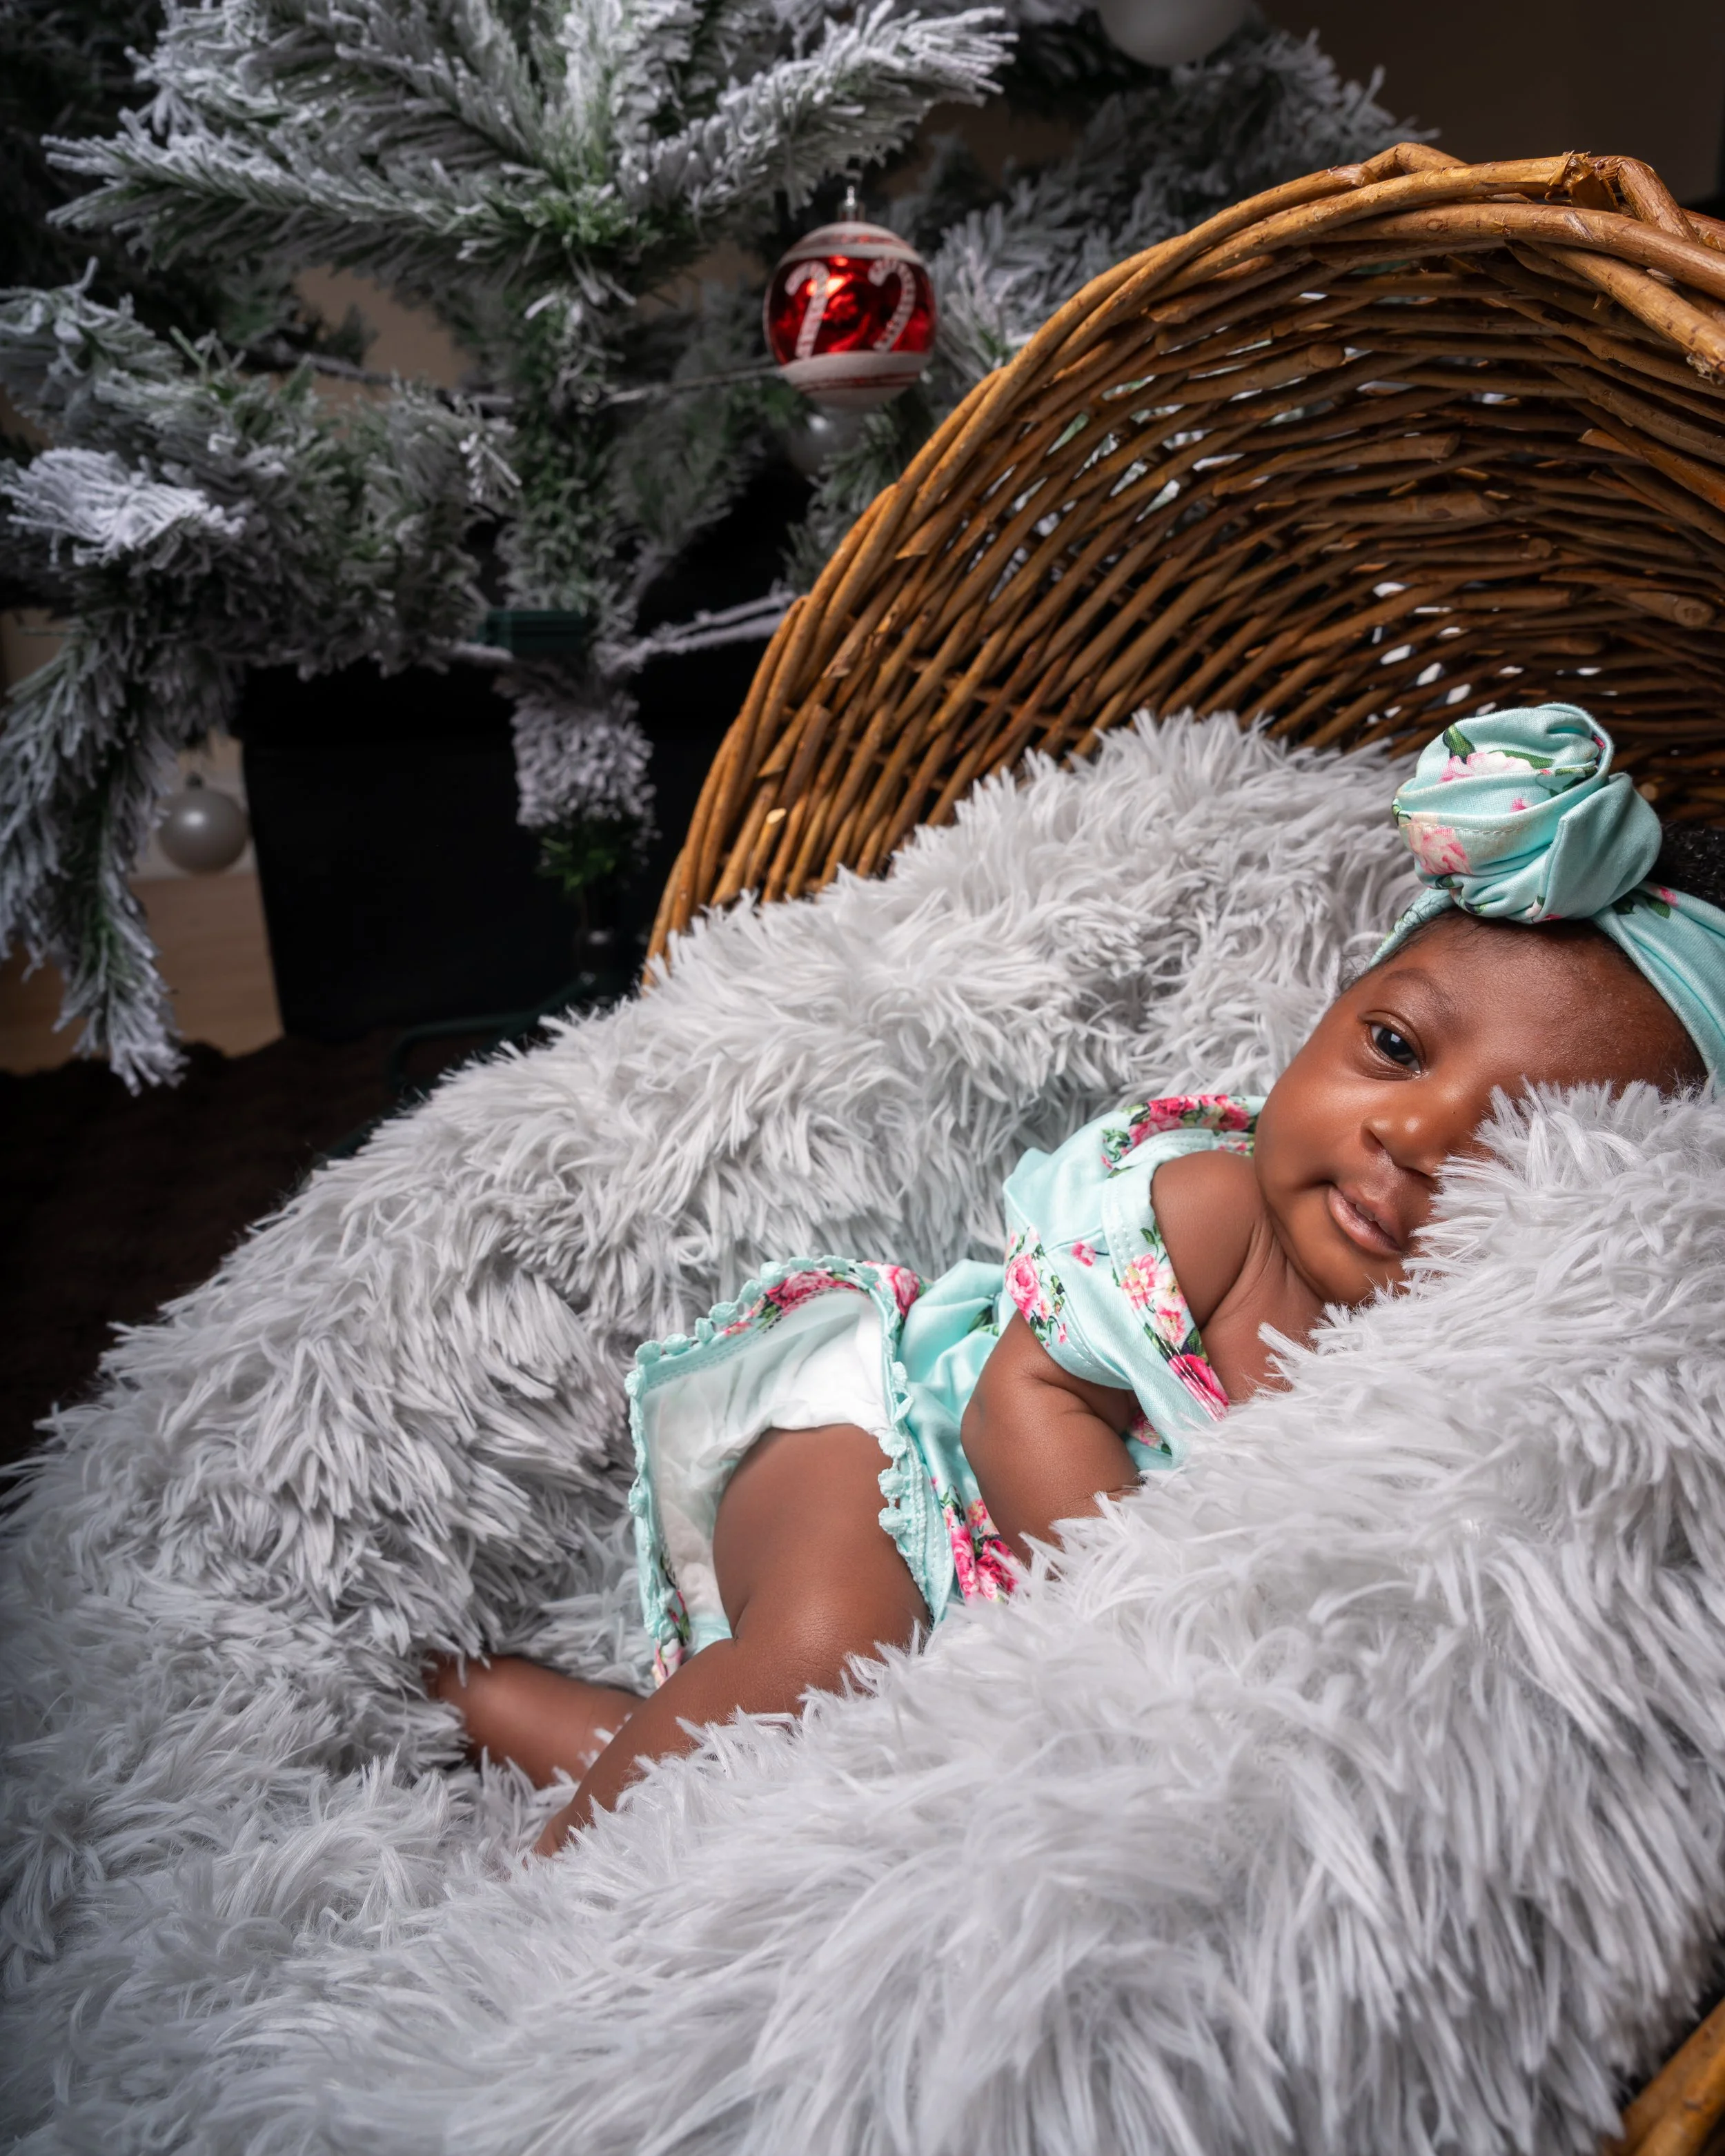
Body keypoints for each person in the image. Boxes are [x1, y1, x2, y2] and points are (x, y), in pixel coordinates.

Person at [429, 704, 1725, 1851]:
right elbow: (1021, 1405)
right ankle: (540, 1925)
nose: (1417, 1134)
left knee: (825, 1789)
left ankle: (509, 1705)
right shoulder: (1205, 1204)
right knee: (823, 1652)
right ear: (1331, 1013)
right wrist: (1143, 1631)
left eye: (1513, 1140)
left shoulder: (1473, 1365)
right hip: (892, 1458)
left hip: (997, 1618)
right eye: (1394, 1046)